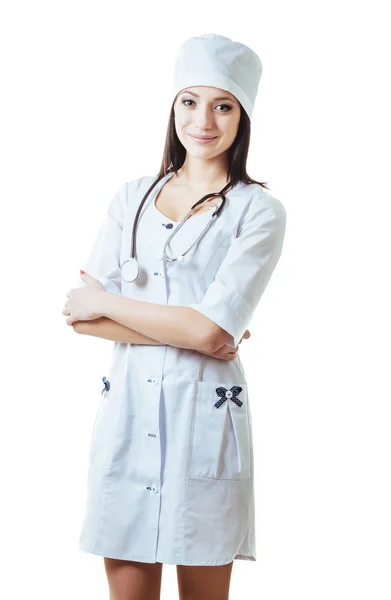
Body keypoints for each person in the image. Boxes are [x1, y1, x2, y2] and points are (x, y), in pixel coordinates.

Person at [63, 33, 287, 600]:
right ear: (172, 107)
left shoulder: (257, 210)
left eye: (223, 105)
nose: (203, 120)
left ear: (244, 117)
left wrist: (113, 303)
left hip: (204, 415)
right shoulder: (132, 197)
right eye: (190, 101)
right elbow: (80, 316)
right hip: (128, 410)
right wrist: (191, 327)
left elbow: (210, 331)